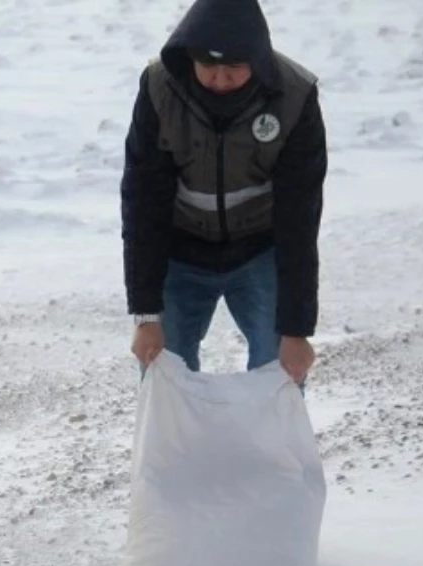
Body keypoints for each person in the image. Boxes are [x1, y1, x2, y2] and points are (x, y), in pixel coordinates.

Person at [121, 0, 327, 384]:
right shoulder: (158, 88)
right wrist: (146, 315)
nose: (220, 79)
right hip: (180, 252)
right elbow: (142, 203)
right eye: (208, 67)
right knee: (162, 364)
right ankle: (173, 445)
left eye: (233, 68)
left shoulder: (294, 95)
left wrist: (297, 330)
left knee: (280, 368)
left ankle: (271, 445)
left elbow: (300, 216)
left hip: (260, 250)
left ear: (257, 59)